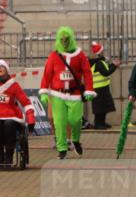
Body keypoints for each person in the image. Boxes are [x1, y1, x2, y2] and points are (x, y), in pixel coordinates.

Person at [39, 26, 95, 159]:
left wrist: (89, 89)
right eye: (62, 39)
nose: (64, 42)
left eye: (67, 39)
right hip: (57, 94)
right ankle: (62, 148)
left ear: (71, 39)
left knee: (75, 120)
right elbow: (47, 74)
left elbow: (87, 73)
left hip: (75, 94)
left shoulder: (80, 55)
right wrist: (44, 92)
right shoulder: (54, 56)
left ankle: (75, 139)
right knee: (59, 122)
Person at [88, 41, 118, 129]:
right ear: (99, 53)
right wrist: (114, 66)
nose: (103, 52)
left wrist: (113, 65)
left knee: (103, 106)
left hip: (102, 87)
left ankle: (102, 122)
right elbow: (106, 72)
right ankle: (98, 123)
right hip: (98, 88)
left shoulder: (100, 62)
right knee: (99, 107)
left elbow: (106, 69)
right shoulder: (98, 63)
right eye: (102, 51)